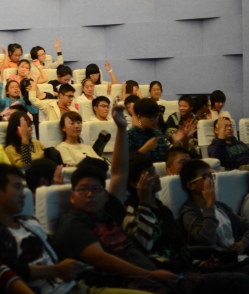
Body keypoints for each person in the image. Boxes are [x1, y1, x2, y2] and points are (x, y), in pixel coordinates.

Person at [52, 107, 184, 291]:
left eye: (95, 189)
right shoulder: (73, 223)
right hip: (132, 282)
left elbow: (119, 174)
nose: (89, 194)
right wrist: (152, 275)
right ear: (72, 197)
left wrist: (121, 128)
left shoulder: (110, 211)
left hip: (154, 272)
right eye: (83, 189)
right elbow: (101, 259)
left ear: (105, 194)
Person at [124, 154, 249, 291]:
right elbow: (142, 251)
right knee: (241, 280)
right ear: (135, 183)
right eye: (149, 174)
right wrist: (144, 204)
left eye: (154, 171)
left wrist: (202, 263)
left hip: (189, 270)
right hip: (168, 277)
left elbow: (181, 251)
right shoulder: (131, 211)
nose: (156, 176)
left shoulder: (163, 209)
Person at [0, 164, 97, 294]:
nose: (23, 194)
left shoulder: (30, 222)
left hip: (76, 286)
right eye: (17, 187)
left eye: (23, 188)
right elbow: (8, 270)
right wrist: (57, 270)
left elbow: (57, 253)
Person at [180, 159, 249, 251]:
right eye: (205, 177)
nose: (211, 180)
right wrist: (209, 204)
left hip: (239, 256)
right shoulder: (190, 214)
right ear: (191, 185)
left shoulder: (221, 207)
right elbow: (208, 241)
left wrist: (243, 243)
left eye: (211, 176)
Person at [128, 98, 191, 163]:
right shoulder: (131, 135)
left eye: (156, 116)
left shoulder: (158, 133)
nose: (155, 120)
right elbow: (126, 163)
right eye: (151, 117)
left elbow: (171, 158)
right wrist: (144, 149)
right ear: (139, 117)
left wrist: (176, 142)